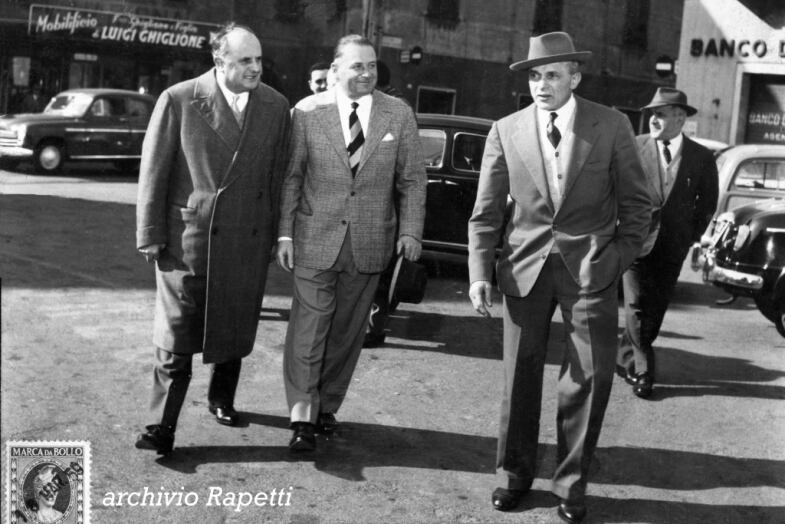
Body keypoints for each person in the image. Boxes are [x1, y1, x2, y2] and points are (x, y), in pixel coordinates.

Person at [467, 32, 651, 523]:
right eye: (534, 75)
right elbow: (485, 213)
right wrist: (479, 272)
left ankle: (571, 485)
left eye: (551, 74)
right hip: (523, 268)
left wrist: (614, 259)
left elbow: (638, 205)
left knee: (588, 380)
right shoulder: (505, 130)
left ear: (575, 77)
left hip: (591, 270)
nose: (541, 85)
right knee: (518, 378)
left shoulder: (610, 126)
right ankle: (513, 476)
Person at [134, 23, 290, 454]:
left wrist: (278, 234)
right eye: (245, 60)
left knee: (232, 323)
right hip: (189, 239)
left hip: (247, 236)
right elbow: (154, 170)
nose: (255, 68)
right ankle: (160, 427)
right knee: (175, 334)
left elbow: (278, 177)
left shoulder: (276, 106)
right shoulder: (180, 99)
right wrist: (149, 232)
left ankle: (222, 398)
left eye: (259, 59)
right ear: (219, 61)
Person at [277, 34, 426, 452]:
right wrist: (284, 233)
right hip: (313, 238)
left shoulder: (398, 114)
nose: (366, 73)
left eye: (372, 66)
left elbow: (413, 180)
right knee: (309, 328)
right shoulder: (307, 112)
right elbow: (291, 177)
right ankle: (302, 416)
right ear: (335, 69)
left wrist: (411, 231)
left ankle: (327, 404)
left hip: (369, 242)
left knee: (347, 332)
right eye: (358, 66)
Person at [616, 88, 718, 399]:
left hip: (673, 246)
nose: (653, 120)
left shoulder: (701, 157)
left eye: (660, 114)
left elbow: (707, 205)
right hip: (634, 242)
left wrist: (689, 237)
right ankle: (644, 370)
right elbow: (615, 189)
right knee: (635, 304)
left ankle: (625, 355)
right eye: (652, 114)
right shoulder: (634, 147)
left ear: (680, 118)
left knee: (655, 309)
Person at [363, 59, 409, 348]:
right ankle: (372, 327)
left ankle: (372, 330)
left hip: (383, 207)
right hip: (385, 206)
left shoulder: (393, 108)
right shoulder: (396, 104)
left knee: (378, 275)